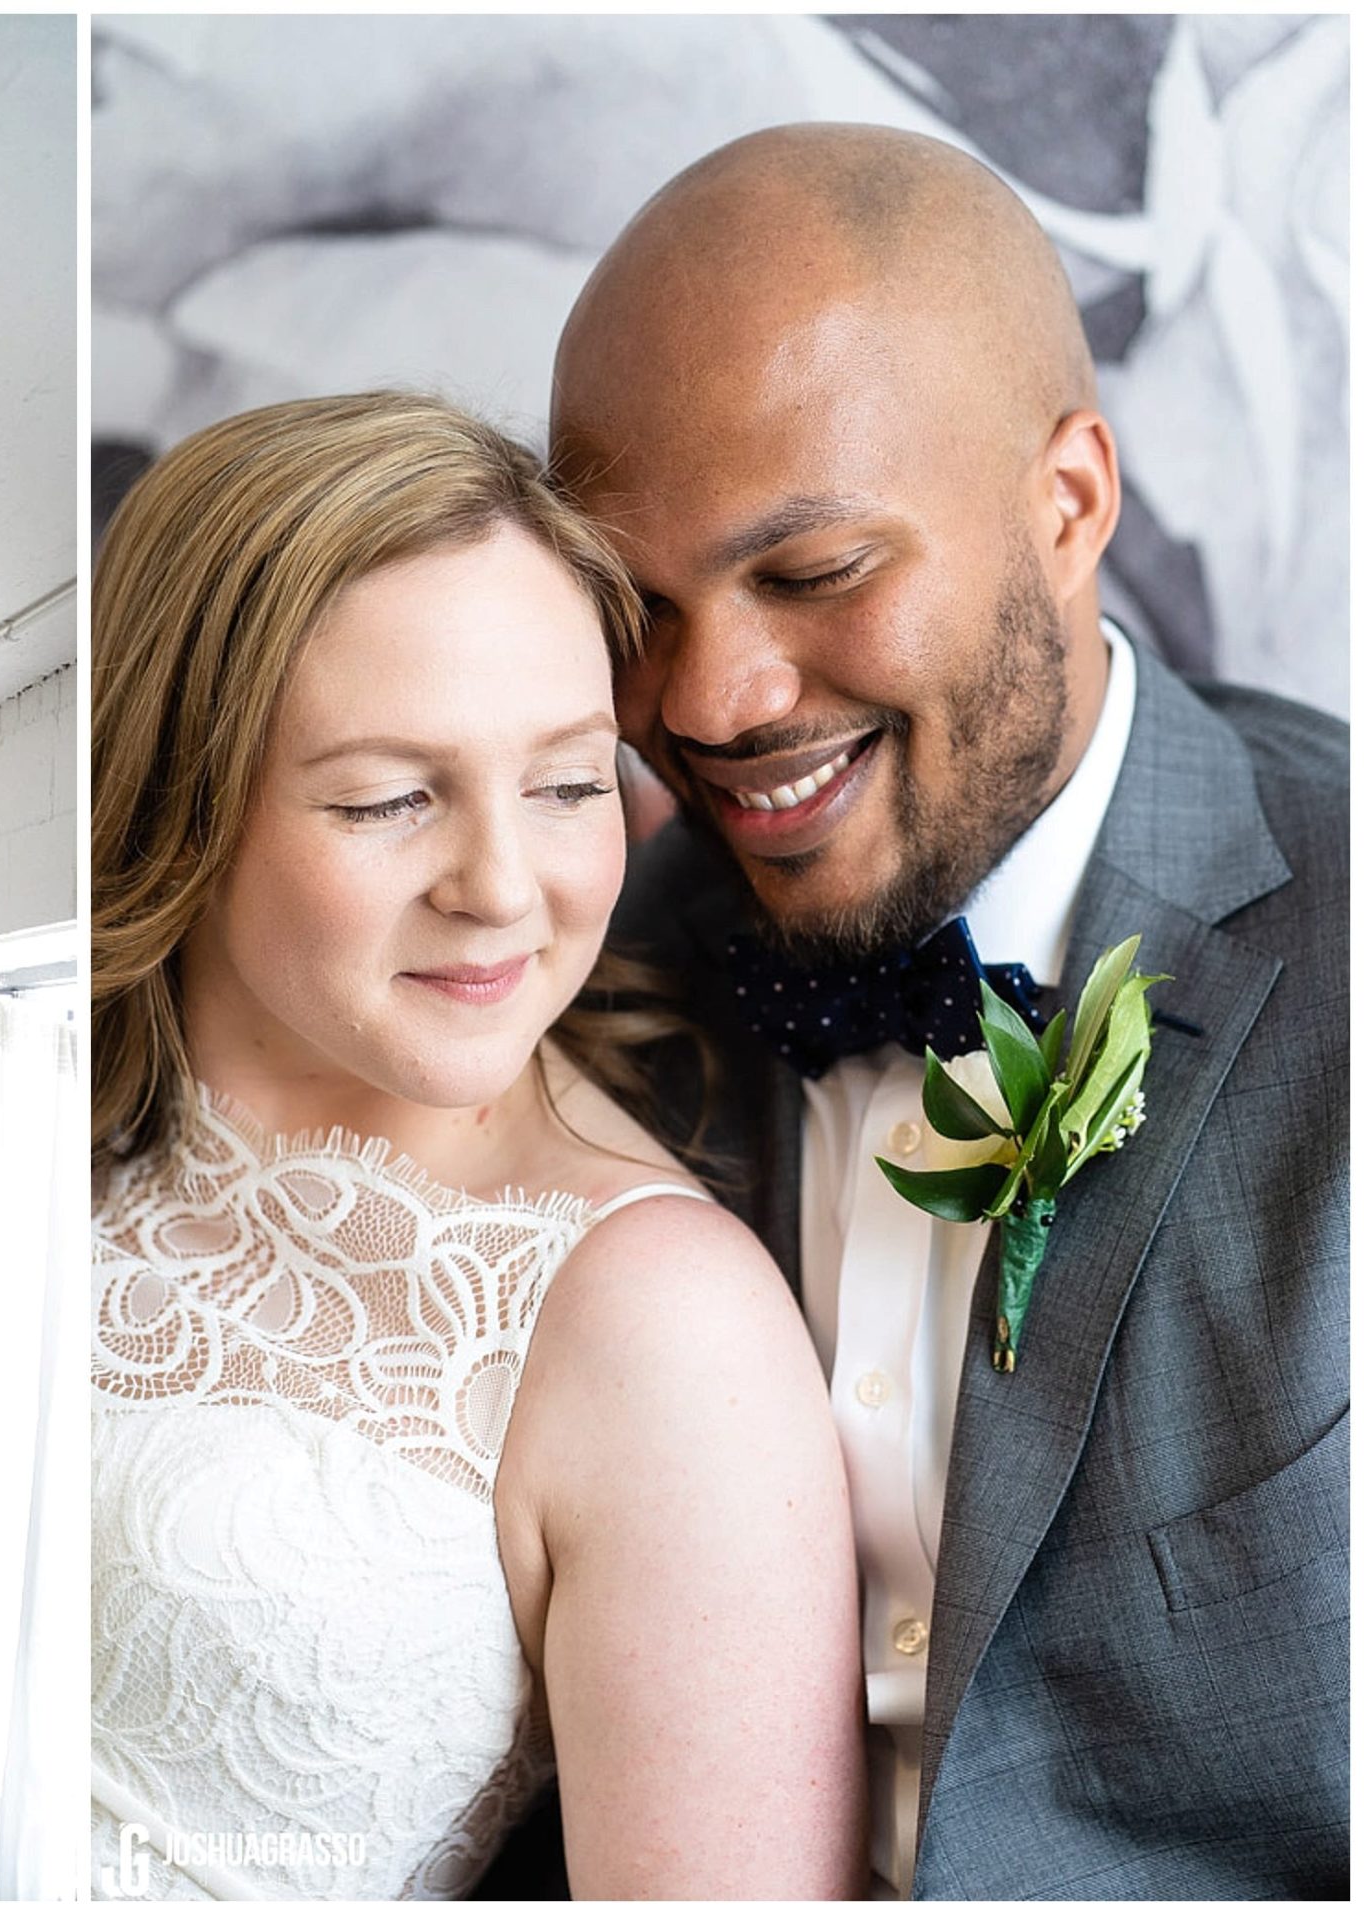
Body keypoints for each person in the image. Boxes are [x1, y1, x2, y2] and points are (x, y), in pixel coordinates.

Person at [553, 122, 1348, 1898]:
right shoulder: (575, 963)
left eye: (815, 570)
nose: (708, 699)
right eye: (636, 606)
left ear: (1067, 504)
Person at [89, 391, 865, 1899]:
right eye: (389, 796)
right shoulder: (44, 1106)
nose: (505, 886)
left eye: (571, 782)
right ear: (183, 793)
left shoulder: (660, 1323)